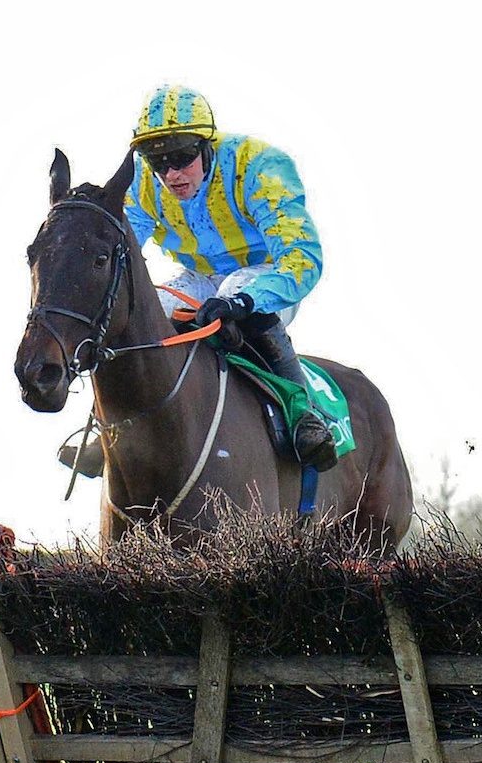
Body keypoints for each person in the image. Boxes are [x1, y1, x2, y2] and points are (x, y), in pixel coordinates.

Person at [66, 83, 335, 472]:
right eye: (158, 162)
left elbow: (301, 258)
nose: (171, 173)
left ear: (206, 145)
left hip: (267, 275)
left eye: (182, 156)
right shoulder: (143, 183)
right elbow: (122, 249)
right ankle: (106, 428)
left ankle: (305, 415)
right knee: (141, 310)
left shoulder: (259, 167)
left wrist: (244, 301)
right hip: (199, 277)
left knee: (232, 290)